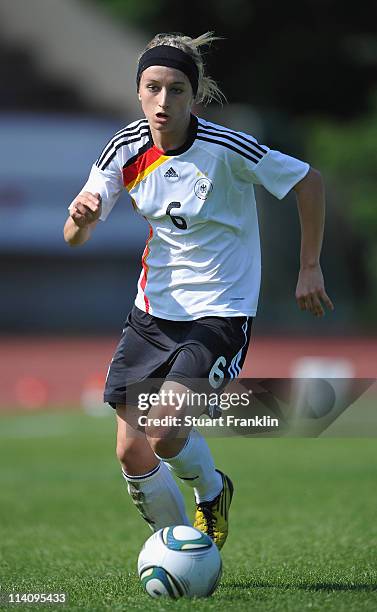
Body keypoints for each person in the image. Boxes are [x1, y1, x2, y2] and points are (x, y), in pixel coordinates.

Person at [63, 32, 334, 549]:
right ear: (139, 90)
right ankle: (178, 551)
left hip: (220, 312)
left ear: (195, 94)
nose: (164, 102)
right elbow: (74, 236)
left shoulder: (225, 148)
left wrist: (310, 266)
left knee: (164, 433)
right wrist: (83, 220)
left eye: (178, 89)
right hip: (153, 312)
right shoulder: (125, 148)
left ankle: (211, 492)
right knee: (132, 452)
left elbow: (309, 182)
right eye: (154, 88)